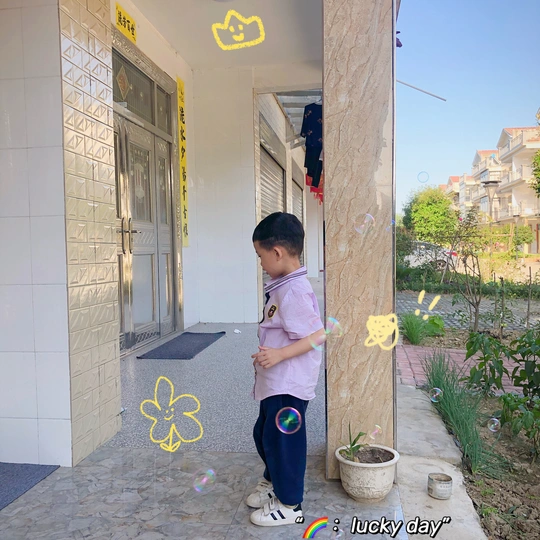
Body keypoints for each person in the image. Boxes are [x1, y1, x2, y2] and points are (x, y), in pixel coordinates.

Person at [247, 212, 326, 527]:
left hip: (288, 384)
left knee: (283, 443)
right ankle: (273, 482)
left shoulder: (293, 291)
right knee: (265, 434)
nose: (260, 263)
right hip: (276, 381)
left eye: (260, 256)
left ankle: (290, 503)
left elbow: (318, 335)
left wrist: (279, 354)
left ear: (277, 252)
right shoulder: (283, 285)